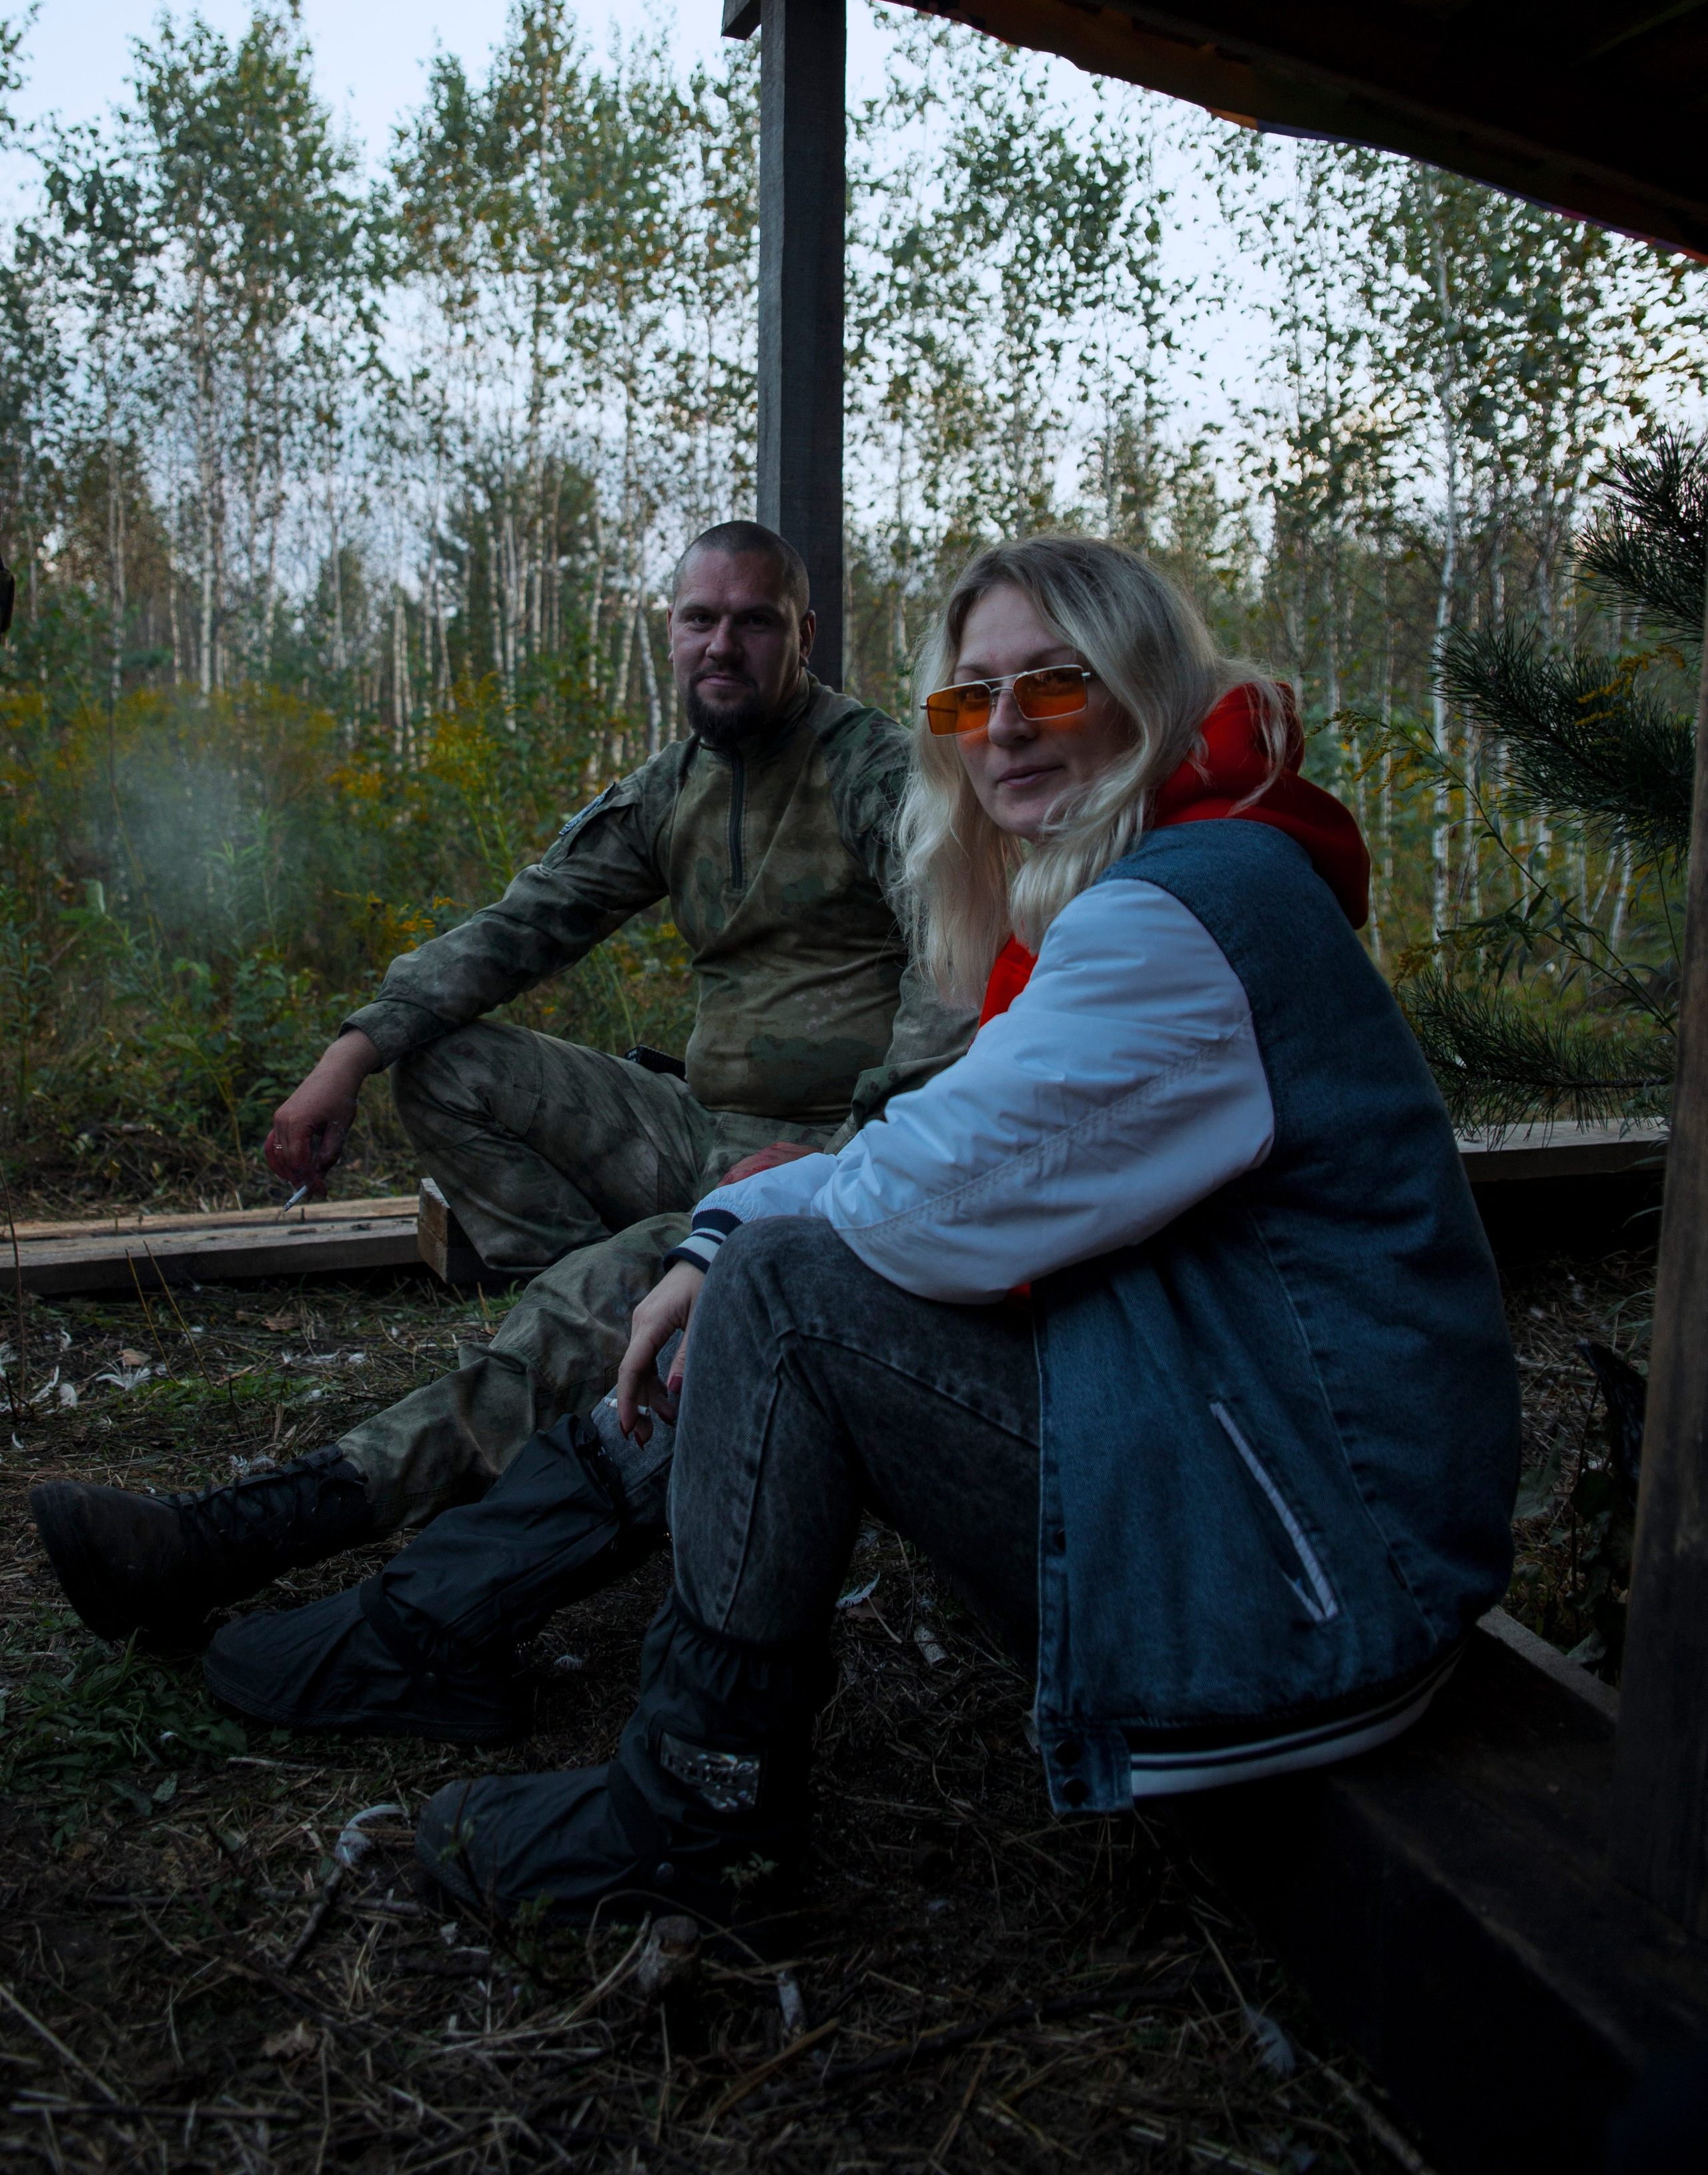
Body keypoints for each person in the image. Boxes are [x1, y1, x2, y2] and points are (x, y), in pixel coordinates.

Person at [408, 531, 1521, 1925]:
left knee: (787, 1295)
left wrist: (723, 1244)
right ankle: (659, 1740)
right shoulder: (1194, 870)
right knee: (770, 1260)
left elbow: (920, 1202)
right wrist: (718, 1223)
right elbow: (959, 1140)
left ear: (1141, 689)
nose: (999, 731)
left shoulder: (1170, 924)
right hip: (1315, 1501)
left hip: (1321, 1574)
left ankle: (695, 1808)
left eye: (1047, 684)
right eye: (964, 697)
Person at [29, 523, 973, 1696]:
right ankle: (608, 1340)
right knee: (449, 1066)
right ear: (669, 632)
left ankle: (229, 1539)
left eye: (756, 620)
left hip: (818, 1162)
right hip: (698, 1133)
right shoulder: (672, 789)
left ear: (805, 636)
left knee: (573, 1311)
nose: (723, 644)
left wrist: (847, 1154)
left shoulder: (874, 770)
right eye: (700, 619)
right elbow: (524, 922)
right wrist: (350, 1052)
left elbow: (956, 967)